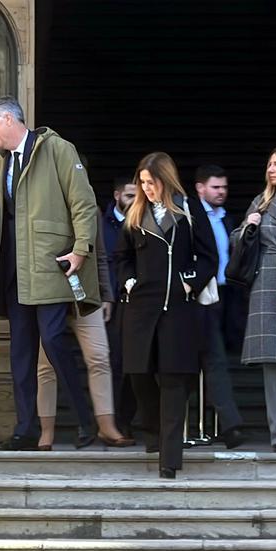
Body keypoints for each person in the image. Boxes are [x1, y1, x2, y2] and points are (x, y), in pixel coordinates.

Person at [0, 96, 100, 451]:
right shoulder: (1, 164)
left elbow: (83, 201)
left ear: (8, 119)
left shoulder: (58, 149)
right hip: (13, 269)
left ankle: (84, 417)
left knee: (52, 341)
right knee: (21, 352)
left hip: (49, 265)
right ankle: (25, 429)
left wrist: (81, 249)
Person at [115, 152, 217, 479]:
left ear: (166, 180)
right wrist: (129, 282)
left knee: (174, 380)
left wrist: (189, 284)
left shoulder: (189, 209)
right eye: (142, 183)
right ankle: (154, 436)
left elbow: (208, 256)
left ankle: (169, 459)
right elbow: (121, 257)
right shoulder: (135, 213)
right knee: (140, 376)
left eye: (151, 183)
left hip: (177, 310)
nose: (146, 189)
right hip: (141, 309)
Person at [35, 215, 135, 450]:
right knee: (45, 366)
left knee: (99, 357)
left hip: (85, 294)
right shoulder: (39, 204)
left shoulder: (90, 207)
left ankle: (106, 425)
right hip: (48, 296)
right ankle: (46, 431)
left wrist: (106, 295)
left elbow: (100, 255)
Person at [231, 145, 276, 450]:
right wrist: (249, 227)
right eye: (268, 164)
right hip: (267, 279)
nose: (270, 169)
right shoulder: (261, 201)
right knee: (272, 362)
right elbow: (237, 238)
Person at [194, 164, 245, 449]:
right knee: (213, 360)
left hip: (226, 295)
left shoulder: (227, 219)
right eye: (215, 187)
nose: (221, 192)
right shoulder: (191, 216)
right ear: (201, 188)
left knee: (220, 357)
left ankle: (222, 422)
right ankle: (228, 424)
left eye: (224, 187)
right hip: (202, 297)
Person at [101, 177, 138, 434]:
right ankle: (110, 422)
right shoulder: (103, 225)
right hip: (111, 304)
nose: (135, 202)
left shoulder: (143, 223)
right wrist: (107, 296)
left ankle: (126, 420)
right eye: (129, 196)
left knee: (134, 365)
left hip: (138, 302)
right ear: (117, 195)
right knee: (113, 364)